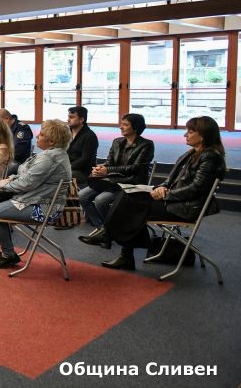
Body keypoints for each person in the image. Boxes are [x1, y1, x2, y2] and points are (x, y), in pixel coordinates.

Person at [80, 116, 225, 271]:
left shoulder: (210, 157)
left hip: (185, 207)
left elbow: (195, 189)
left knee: (132, 206)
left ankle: (113, 241)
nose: (185, 135)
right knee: (128, 196)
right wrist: (161, 188)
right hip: (175, 199)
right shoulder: (192, 154)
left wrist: (166, 194)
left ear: (202, 136)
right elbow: (170, 180)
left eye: (190, 132)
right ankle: (116, 244)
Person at [0, 119, 72, 268]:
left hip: (44, 210)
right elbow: (28, 178)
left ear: (52, 141)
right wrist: (12, 180)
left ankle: (8, 254)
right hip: (46, 204)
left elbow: (27, 183)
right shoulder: (58, 154)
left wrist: (5, 184)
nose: (37, 136)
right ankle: (8, 252)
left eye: (41, 134)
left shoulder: (49, 158)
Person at [78, 113, 154, 248]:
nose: (121, 127)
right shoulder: (117, 142)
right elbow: (109, 162)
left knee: (100, 200)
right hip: (112, 180)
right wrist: (101, 168)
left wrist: (108, 170)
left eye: (125, 124)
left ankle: (106, 234)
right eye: (121, 124)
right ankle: (105, 229)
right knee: (81, 196)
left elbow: (136, 168)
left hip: (130, 183)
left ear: (135, 127)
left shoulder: (146, 144)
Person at [66, 106, 98, 186]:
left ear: (81, 119)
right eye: (68, 117)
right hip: (67, 166)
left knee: (58, 175)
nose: (68, 120)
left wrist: (66, 167)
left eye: (72, 117)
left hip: (83, 172)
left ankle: (69, 195)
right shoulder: (66, 133)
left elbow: (85, 160)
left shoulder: (90, 136)